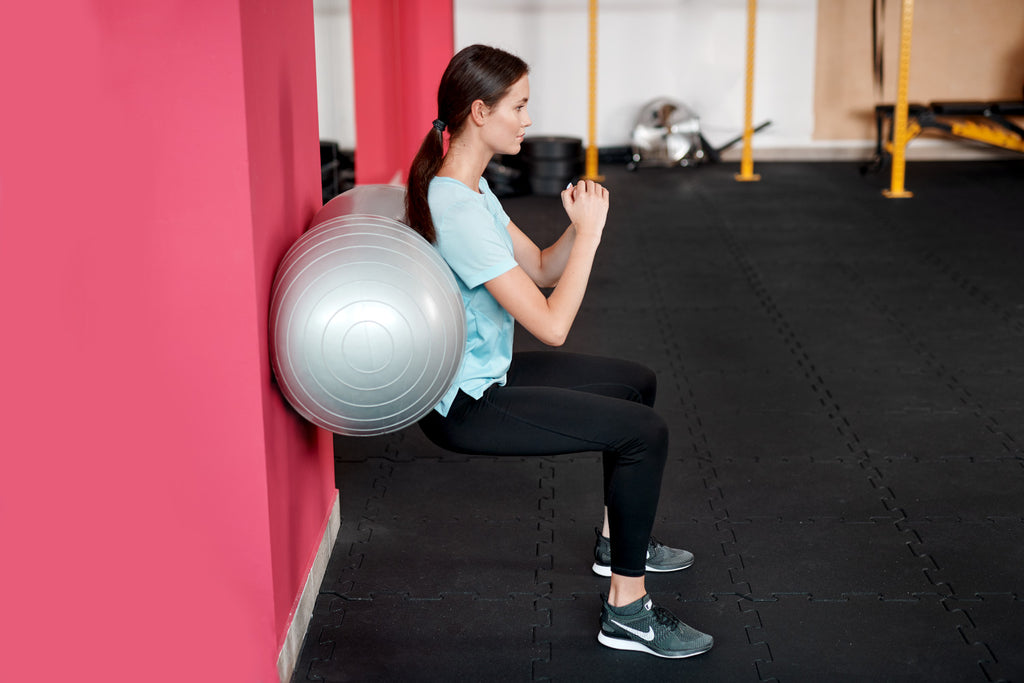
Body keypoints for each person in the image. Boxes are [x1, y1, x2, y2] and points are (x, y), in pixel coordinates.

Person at [406, 44, 712, 660]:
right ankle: (627, 611)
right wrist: (593, 240)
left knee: (636, 384)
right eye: (518, 107)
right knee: (643, 434)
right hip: (466, 403)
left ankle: (613, 543)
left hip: (490, 370)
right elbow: (551, 325)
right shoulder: (454, 206)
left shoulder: (472, 191)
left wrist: (577, 224)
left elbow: (543, 269)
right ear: (478, 111)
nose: (526, 120)